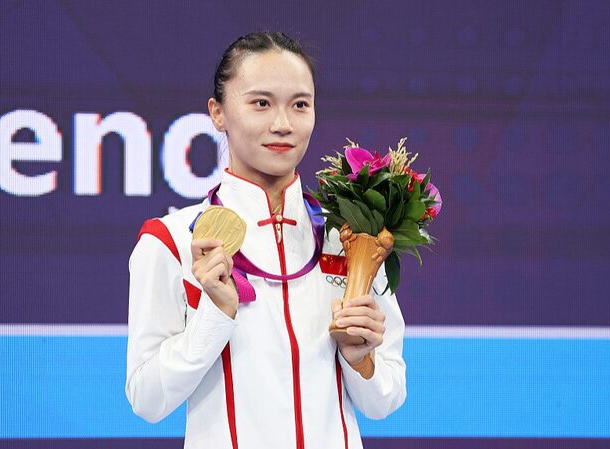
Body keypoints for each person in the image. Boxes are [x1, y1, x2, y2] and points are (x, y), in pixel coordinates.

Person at [126, 31, 406, 449]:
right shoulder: (169, 242)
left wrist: (358, 358)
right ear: (217, 113)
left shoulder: (350, 238)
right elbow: (147, 400)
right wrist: (214, 317)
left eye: (300, 105)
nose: (283, 124)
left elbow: (385, 400)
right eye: (261, 103)